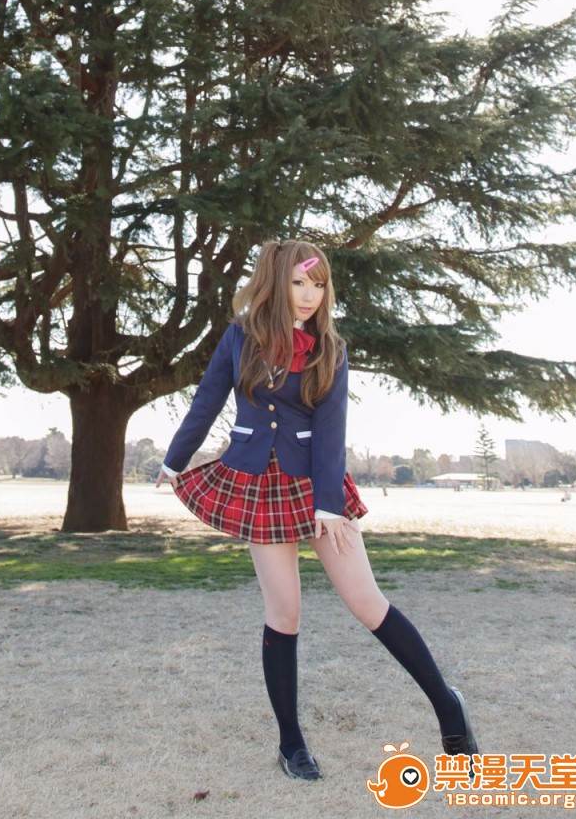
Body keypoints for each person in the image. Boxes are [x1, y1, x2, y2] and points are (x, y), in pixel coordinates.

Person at [155, 239, 479, 783]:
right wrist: (174, 460)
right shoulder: (240, 336)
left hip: (316, 484)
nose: (310, 295)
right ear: (276, 282)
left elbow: (332, 431)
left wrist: (329, 505)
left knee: (367, 603)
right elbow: (207, 399)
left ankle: (449, 708)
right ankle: (292, 744)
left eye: (319, 284)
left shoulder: (331, 348)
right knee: (283, 613)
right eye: (299, 282)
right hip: (257, 483)